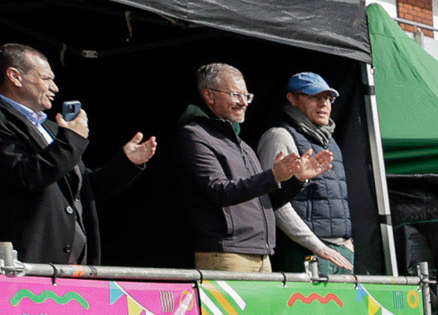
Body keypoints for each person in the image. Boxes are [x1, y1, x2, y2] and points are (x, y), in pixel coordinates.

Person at [0, 44, 152, 267]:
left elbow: (82, 188)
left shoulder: (51, 127)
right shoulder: (4, 122)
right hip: (27, 262)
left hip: (71, 264)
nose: (54, 88)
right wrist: (71, 139)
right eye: (46, 78)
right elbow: (27, 175)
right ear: (15, 76)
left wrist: (126, 164)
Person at [173, 63, 328, 272]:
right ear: (209, 96)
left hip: (261, 254)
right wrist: (273, 176)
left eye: (247, 96)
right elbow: (219, 191)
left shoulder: (242, 144)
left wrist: (296, 180)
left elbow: (266, 203)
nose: (244, 103)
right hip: (226, 253)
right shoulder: (195, 135)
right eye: (235, 95)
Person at [256, 72, 352, 272]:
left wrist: (346, 241)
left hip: (339, 251)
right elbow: (274, 202)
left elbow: (336, 200)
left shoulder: (330, 142)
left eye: (328, 98)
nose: (324, 104)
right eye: (315, 97)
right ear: (292, 98)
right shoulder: (279, 136)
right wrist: (317, 246)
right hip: (304, 252)